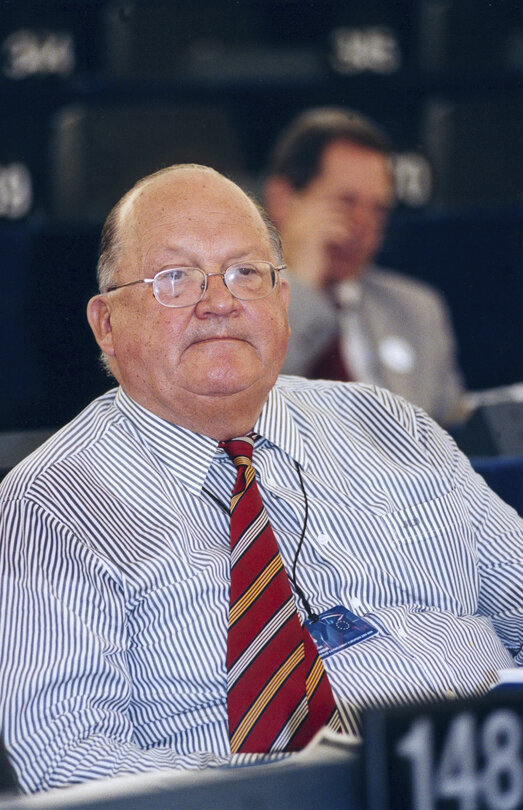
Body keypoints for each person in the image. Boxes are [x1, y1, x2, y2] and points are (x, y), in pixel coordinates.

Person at [0, 164, 521, 795]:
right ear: (106, 323)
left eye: (247, 273)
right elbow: (64, 757)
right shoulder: (55, 501)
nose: (220, 301)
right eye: (175, 279)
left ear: (281, 300)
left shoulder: (388, 424)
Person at [264, 107, 467, 427]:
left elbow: (458, 441)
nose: (362, 226)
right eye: (345, 203)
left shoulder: (417, 309)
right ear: (282, 199)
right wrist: (303, 287)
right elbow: (247, 411)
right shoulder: (231, 302)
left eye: (378, 210)